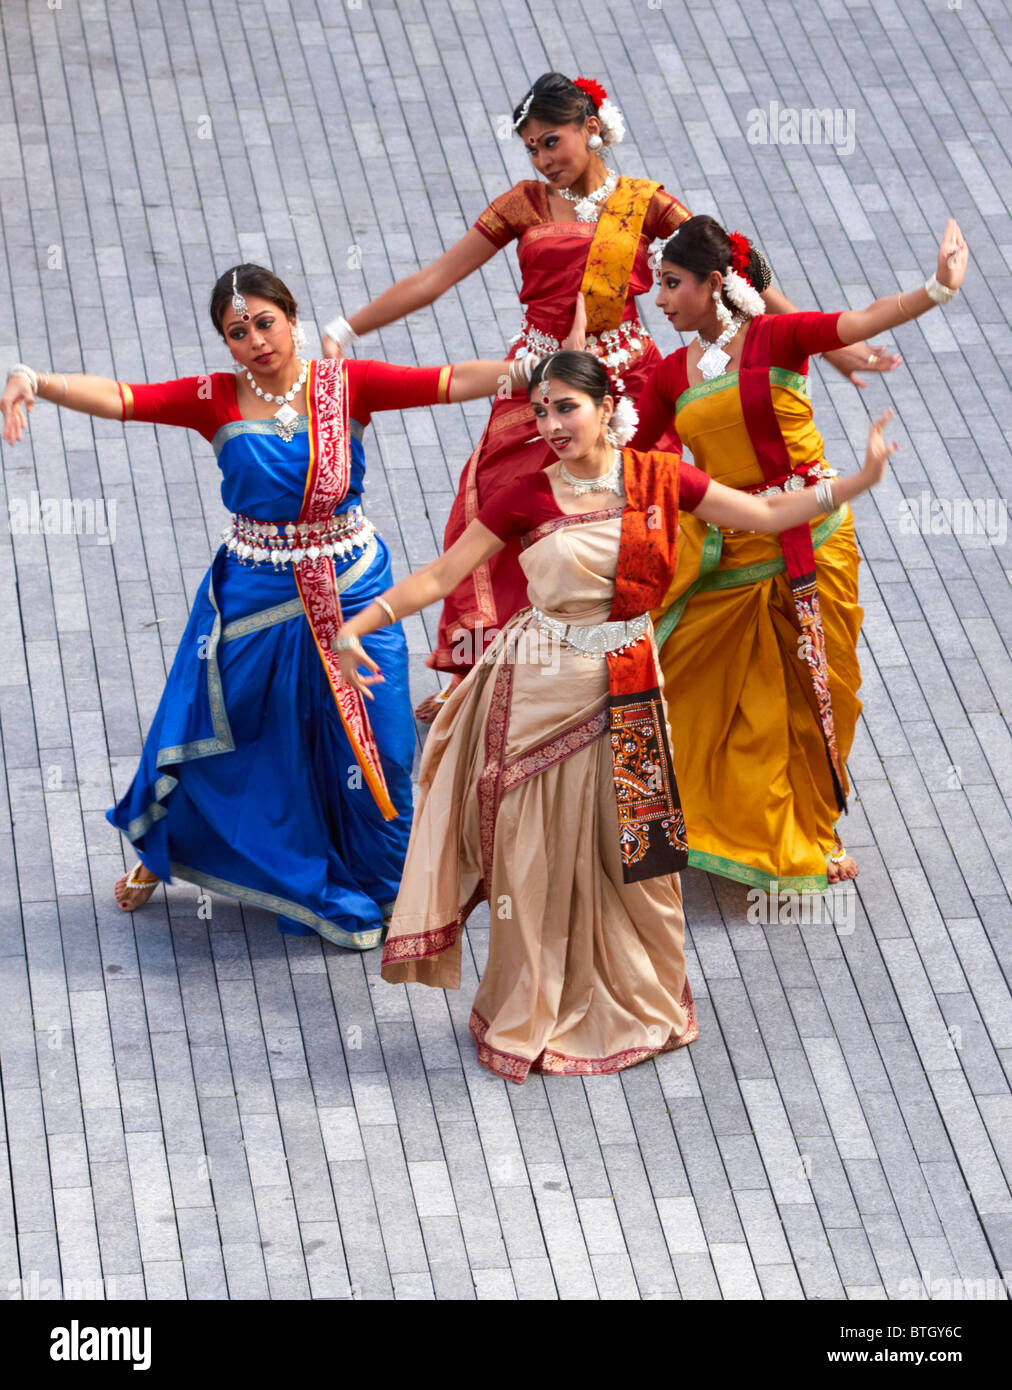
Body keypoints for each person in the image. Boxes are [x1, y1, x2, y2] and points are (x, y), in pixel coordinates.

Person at [331, 351, 899, 1081]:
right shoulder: (525, 495)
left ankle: (641, 998)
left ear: (606, 406)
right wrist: (358, 626)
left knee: (643, 859)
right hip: (536, 689)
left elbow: (759, 513)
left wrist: (854, 484)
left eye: (566, 406)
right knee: (529, 857)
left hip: (629, 685)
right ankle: (531, 1000)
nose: (551, 424)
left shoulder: (660, 481)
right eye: (540, 411)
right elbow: (444, 574)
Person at [0, 264, 547, 949]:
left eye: (265, 322)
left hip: (355, 590)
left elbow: (444, 382)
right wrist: (35, 380)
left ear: (291, 318)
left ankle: (391, 886)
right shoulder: (214, 398)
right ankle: (165, 849)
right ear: (225, 344)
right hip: (258, 591)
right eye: (238, 332)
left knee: (382, 739)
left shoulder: (343, 385)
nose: (256, 340)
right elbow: (122, 397)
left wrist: (538, 373)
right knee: (228, 729)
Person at [321, 72, 898, 720]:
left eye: (552, 141)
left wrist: (825, 340)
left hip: (629, 377)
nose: (543, 159)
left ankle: (643, 654)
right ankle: (482, 668)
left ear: (591, 127)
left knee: (648, 511)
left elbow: (728, 268)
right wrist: (348, 326)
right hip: (541, 377)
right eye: (532, 148)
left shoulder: (643, 201)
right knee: (491, 513)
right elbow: (434, 279)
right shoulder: (524, 204)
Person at [625, 214, 968, 889]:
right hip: (730, 555)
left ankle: (812, 828)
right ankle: (691, 815)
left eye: (671, 285)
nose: (659, 301)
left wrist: (938, 289)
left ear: (716, 283)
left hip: (812, 544)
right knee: (687, 682)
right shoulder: (669, 376)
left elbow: (862, 320)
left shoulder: (778, 337)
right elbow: (631, 456)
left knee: (817, 695)